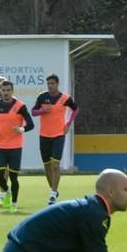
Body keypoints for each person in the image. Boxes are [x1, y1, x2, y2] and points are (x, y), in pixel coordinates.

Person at [31, 74, 80, 205]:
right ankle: (52, 189)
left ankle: (53, 193)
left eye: (52, 83)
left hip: (58, 134)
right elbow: (33, 112)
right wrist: (42, 111)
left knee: (55, 165)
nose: (50, 86)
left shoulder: (65, 98)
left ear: (57, 84)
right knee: (47, 166)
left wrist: (68, 123)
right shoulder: (42, 97)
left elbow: (75, 109)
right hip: (44, 135)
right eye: (48, 84)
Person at [0, 80, 35, 212]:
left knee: (13, 177)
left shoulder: (20, 106)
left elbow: (31, 124)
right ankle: (7, 191)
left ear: (12, 91)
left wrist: (21, 129)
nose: (6, 93)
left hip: (15, 146)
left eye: (8, 90)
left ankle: (14, 203)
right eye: (4, 90)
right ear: (0, 91)